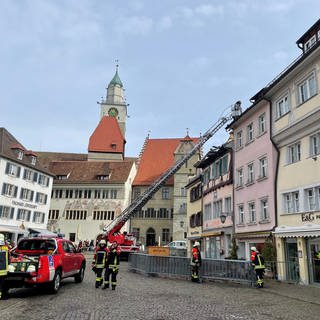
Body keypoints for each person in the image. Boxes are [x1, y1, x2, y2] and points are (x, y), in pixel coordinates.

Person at [0, 233, 9, 300]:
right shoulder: (6, 247)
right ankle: (1, 296)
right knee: (1, 285)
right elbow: (8, 258)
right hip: (3, 270)